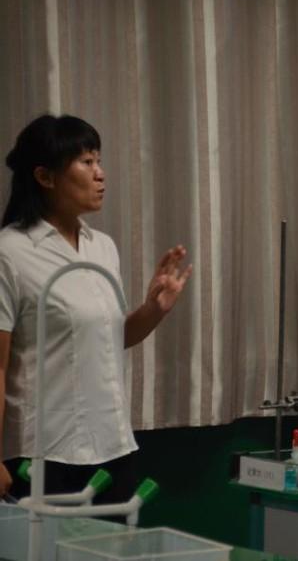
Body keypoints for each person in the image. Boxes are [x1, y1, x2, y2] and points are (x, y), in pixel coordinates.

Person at [0, 115, 191, 500]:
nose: (100, 174)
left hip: (111, 447)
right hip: (43, 452)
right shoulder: (10, 252)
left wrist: (154, 309)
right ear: (45, 177)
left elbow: (111, 338)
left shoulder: (101, 246)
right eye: (86, 162)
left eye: (99, 161)